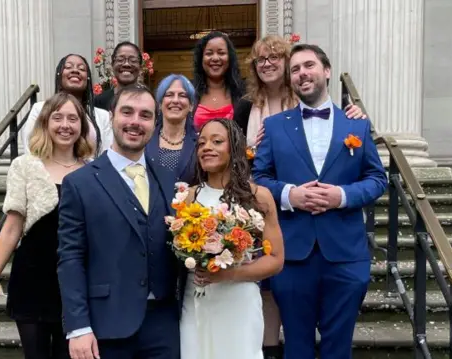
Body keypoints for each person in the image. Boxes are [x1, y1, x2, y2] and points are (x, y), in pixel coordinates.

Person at [234, 35, 366, 359]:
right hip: (293, 253)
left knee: (339, 349)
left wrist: (342, 196)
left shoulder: (357, 124)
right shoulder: (275, 126)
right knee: (296, 346)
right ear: (290, 77)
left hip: (346, 255)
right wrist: (290, 195)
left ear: (327, 71)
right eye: (296, 69)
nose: (303, 73)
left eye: (309, 65)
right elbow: (259, 177)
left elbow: (377, 178)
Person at [0, 92, 95, 359]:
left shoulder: (92, 170)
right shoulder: (24, 166)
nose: (65, 125)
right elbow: (12, 229)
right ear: (45, 123)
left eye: (72, 118)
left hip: (77, 283)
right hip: (32, 280)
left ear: (82, 125)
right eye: (57, 118)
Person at [57, 84, 182, 359]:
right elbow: (71, 258)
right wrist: (78, 327)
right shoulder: (80, 183)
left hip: (164, 324)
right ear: (112, 116)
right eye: (127, 112)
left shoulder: (168, 178)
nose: (135, 122)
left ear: (155, 122)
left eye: (145, 115)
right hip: (106, 324)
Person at [180, 118, 285, 359]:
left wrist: (227, 274)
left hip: (238, 299)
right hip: (196, 297)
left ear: (234, 148)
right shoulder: (188, 197)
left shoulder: (258, 196)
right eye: (202, 142)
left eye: (217, 141)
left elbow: (276, 259)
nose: (207, 147)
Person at [22, 54, 112, 157]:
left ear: (87, 78)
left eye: (81, 69)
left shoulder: (102, 116)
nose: (75, 70)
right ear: (59, 75)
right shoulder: (40, 109)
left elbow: (107, 154)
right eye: (68, 67)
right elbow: (31, 149)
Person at [145, 74, 197, 184]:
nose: (175, 100)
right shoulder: (145, 139)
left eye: (182, 95)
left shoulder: (200, 143)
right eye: (169, 95)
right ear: (159, 104)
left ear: (191, 105)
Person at [191, 31, 244, 130]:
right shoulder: (189, 91)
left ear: (230, 58)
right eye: (209, 53)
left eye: (221, 53)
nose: (215, 58)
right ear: (201, 59)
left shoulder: (244, 92)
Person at [93, 41, 143, 111]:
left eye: (133, 60)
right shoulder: (99, 102)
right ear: (112, 65)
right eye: (120, 59)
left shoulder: (147, 100)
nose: (126, 64)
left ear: (140, 67)